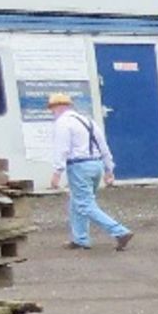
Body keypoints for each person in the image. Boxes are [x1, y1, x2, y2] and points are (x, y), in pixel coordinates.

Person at [47, 92, 132, 251]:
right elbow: (103, 146)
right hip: (96, 164)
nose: (52, 112)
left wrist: (57, 172)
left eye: (52, 108)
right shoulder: (88, 121)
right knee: (77, 202)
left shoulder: (62, 123)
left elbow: (62, 148)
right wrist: (109, 168)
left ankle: (120, 231)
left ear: (56, 107)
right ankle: (80, 239)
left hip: (79, 166)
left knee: (84, 204)